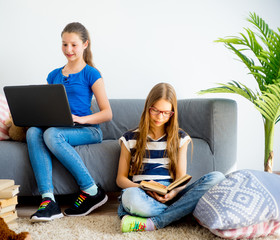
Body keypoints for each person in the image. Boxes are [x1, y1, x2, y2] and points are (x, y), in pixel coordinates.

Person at [27, 22, 112, 222]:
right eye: (64, 45)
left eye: (73, 45)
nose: (69, 50)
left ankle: (92, 190)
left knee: (51, 134)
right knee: (33, 131)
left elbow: (107, 113)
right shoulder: (53, 75)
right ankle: (48, 201)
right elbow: (47, 106)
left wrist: (80, 119)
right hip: (58, 128)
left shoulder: (91, 73)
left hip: (87, 129)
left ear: (85, 44)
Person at [116, 82, 225, 232]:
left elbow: (181, 178)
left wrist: (172, 193)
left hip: (171, 197)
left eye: (166, 113)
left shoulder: (180, 138)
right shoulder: (129, 138)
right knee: (131, 198)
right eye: (155, 111)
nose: (160, 117)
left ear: (172, 113)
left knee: (217, 177)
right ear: (148, 107)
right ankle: (181, 212)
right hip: (143, 196)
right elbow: (120, 179)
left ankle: (156, 222)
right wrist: (143, 187)